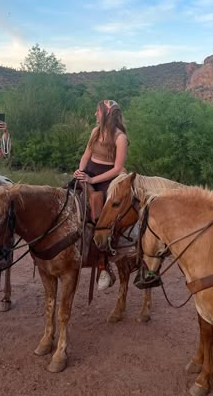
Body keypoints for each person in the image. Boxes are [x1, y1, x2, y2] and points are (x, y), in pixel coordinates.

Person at [73, 99, 128, 290]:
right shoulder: (95, 132)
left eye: (97, 111)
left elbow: (118, 168)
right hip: (90, 172)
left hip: (107, 177)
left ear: (106, 114)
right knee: (66, 197)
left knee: (101, 213)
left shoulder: (120, 137)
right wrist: (81, 171)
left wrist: (93, 181)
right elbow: (86, 155)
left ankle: (104, 264)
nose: (95, 114)